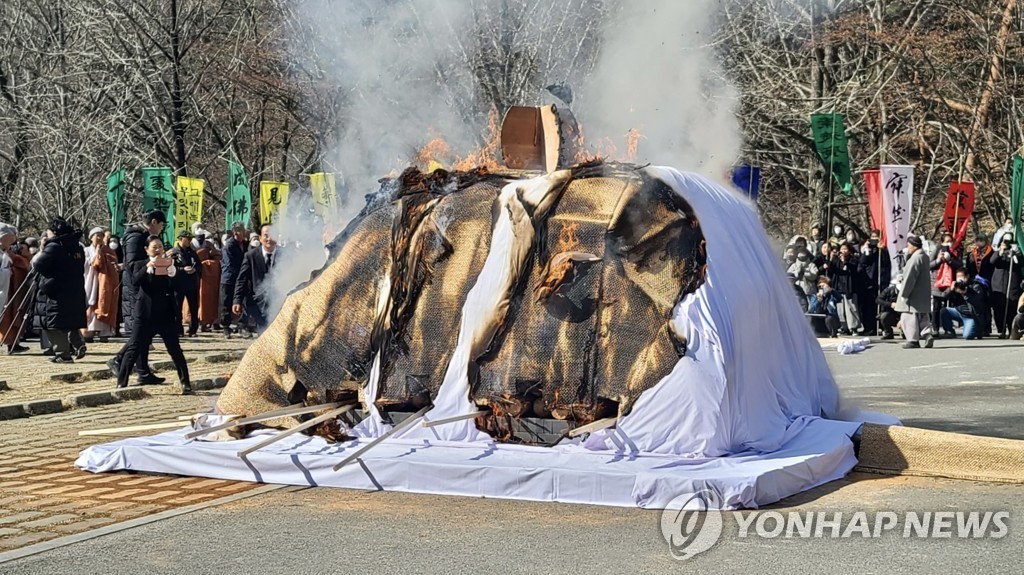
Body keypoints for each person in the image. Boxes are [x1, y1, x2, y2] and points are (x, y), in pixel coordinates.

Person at [117, 236, 191, 394]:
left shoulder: (169, 263)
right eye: (154, 247)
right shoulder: (139, 264)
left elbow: (178, 287)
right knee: (134, 347)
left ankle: (186, 383)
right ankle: (121, 382)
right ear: (146, 249)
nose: (158, 250)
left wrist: (174, 273)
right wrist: (147, 268)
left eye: (160, 246)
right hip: (145, 313)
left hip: (165, 314)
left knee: (175, 349)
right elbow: (134, 282)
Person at [109, 210, 166, 383]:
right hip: (135, 288)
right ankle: (120, 359)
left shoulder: (144, 236)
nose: (162, 230)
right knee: (141, 331)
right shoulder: (136, 237)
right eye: (162, 226)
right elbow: (132, 264)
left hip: (145, 286)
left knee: (144, 331)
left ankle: (143, 371)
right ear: (154, 222)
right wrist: (154, 259)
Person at [32, 218, 88, 362]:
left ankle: (63, 354)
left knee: (55, 324)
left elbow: (38, 264)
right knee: (70, 320)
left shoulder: (54, 246)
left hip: (55, 290)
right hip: (75, 288)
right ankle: (77, 343)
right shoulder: (77, 246)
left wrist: (42, 248)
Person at [233, 224, 278, 335]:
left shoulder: (285, 254)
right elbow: (242, 279)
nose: (269, 239)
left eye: (272, 235)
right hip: (258, 303)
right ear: (260, 238)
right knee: (263, 333)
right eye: (266, 236)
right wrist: (237, 300)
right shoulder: (251, 256)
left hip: (280, 301)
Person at [895, 236, 934, 349]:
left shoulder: (915, 258)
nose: (907, 247)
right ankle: (927, 334)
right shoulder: (924, 257)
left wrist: (904, 294)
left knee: (908, 316)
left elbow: (910, 277)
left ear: (913, 245)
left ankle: (912, 340)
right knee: (922, 315)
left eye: (908, 245)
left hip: (913, 293)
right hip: (923, 292)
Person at [83, 227, 119, 341]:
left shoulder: (109, 251)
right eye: (96, 235)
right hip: (91, 279)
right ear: (91, 238)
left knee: (104, 302)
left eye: (101, 235)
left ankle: (104, 332)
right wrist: (96, 256)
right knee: (91, 303)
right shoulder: (86, 250)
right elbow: (85, 264)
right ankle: (88, 332)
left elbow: (114, 264)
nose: (99, 238)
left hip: (105, 281)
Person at [0, 224, 31, 353]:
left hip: (11, 288)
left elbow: (23, 263)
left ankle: (13, 342)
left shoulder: (8, 252)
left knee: (12, 315)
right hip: (4, 287)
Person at [988, 234, 1022, 338]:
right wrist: (1001, 251)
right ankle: (1000, 329)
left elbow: (1021, 264)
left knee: (1012, 308)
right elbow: (992, 261)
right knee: (999, 309)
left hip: (1012, 285)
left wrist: (1016, 254)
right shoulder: (998, 253)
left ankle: (1011, 329)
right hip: (999, 285)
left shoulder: (1018, 253)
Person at [857, 230, 890, 335]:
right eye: (872, 237)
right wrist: (866, 249)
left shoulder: (883, 250)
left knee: (877, 306)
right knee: (866, 306)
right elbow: (862, 263)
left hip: (879, 280)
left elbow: (886, 263)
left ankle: (879, 327)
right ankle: (868, 327)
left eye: (876, 237)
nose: (874, 239)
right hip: (867, 281)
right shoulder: (867, 249)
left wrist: (882, 249)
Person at [169, 230, 201, 337]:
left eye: (191, 239)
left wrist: (194, 269)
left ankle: (193, 329)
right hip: (178, 284)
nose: (189, 241)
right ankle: (178, 330)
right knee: (177, 308)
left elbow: (199, 265)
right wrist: (183, 269)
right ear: (181, 239)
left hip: (192, 284)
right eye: (187, 239)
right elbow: (170, 269)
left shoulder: (192, 252)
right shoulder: (173, 252)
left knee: (194, 307)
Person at [220, 222, 248, 338]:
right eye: (235, 230)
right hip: (229, 277)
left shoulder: (246, 244)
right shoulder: (229, 245)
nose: (237, 233)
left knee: (245, 301)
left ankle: (242, 325)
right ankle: (226, 327)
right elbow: (230, 263)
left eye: (239, 230)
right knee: (226, 302)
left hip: (242, 277)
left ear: (243, 231)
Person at [828, 242, 861, 334]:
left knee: (851, 308)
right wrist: (831, 259)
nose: (843, 251)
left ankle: (853, 327)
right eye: (842, 249)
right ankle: (844, 327)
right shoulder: (836, 260)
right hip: (838, 286)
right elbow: (832, 270)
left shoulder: (853, 259)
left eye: (845, 249)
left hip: (849, 286)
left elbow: (853, 269)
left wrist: (844, 261)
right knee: (840, 309)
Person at [930, 244, 962, 335]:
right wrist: (938, 260)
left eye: (950, 241)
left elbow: (959, 264)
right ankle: (935, 328)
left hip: (950, 282)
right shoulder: (936, 250)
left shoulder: (952, 252)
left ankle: (948, 328)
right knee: (936, 307)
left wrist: (950, 260)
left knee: (950, 306)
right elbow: (929, 265)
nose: (948, 243)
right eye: (946, 241)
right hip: (937, 283)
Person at [194, 229, 222, 332]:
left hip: (207, 276)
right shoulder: (191, 244)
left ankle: (206, 322)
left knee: (207, 300)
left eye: (202, 236)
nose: (200, 238)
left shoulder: (208, 244)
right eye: (198, 236)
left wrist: (208, 262)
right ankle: (194, 322)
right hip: (194, 275)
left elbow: (217, 256)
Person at [939, 270, 980, 340]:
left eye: (961, 276)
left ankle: (976, 330)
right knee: (944, 311)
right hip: (958, 312)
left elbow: (977, 302)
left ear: (967, 276)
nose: (959, 278)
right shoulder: (956, 285)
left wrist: (965, 293)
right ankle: (950, 331)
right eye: (957, 276)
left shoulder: (975, 286)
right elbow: (943, 297)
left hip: (970, 315)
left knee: (967, 336)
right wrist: (951, 289)